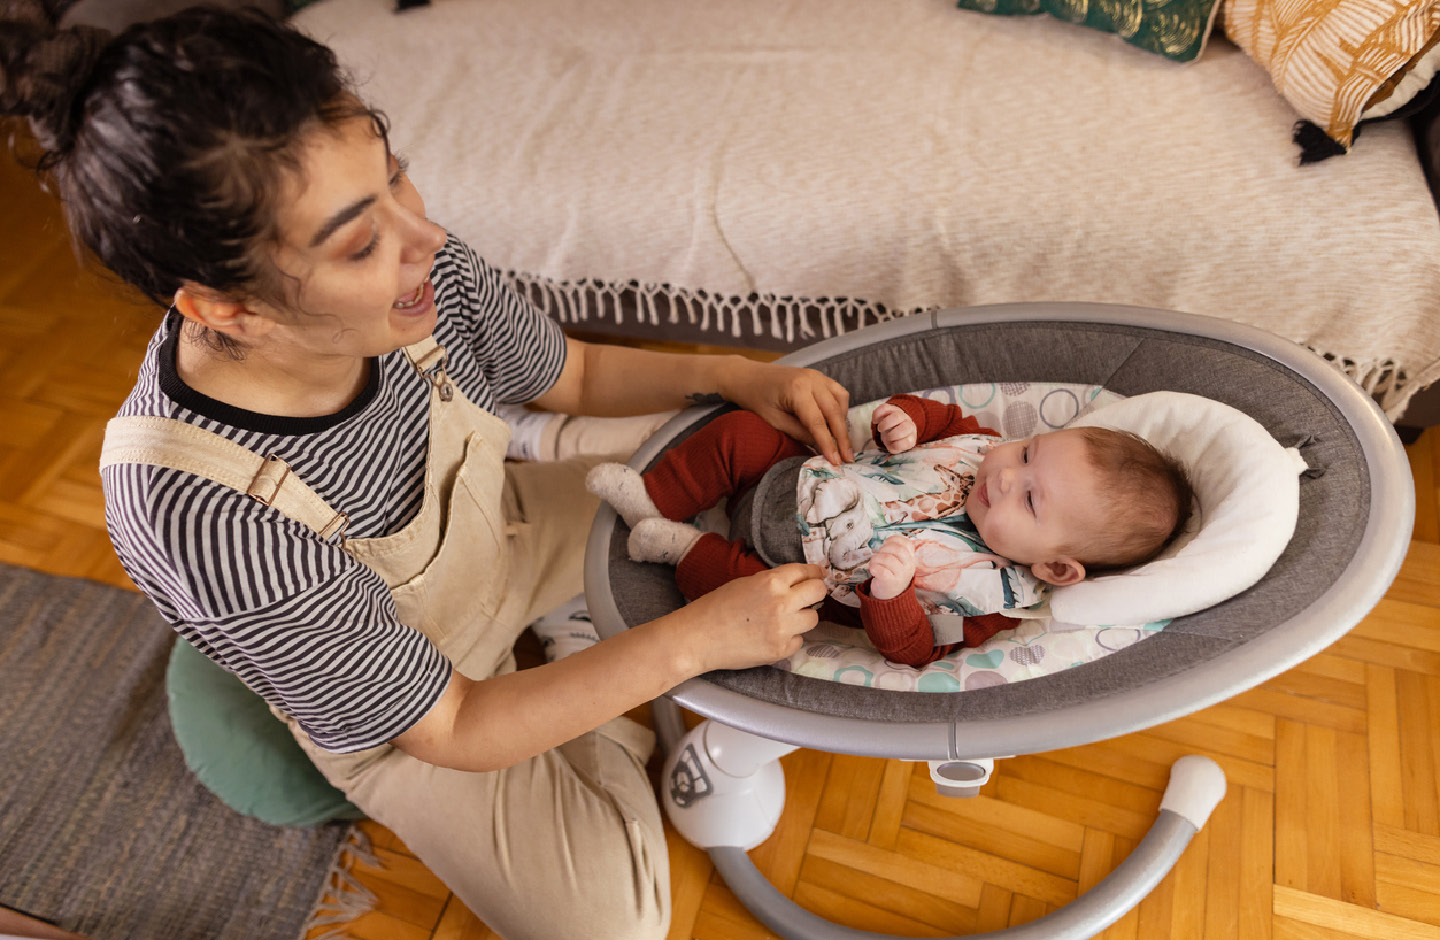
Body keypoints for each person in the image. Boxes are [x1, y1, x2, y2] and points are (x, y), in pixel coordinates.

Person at [0, 6, 859, 939]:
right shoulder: (200, 512)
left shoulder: (418, 269)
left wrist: (733, 375)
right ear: (225, 306)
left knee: (764, 470)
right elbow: (450, 726)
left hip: (507, 531)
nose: (427, 236)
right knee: (613, 925)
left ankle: (579, 632)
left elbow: (573, 373)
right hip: (422, 712)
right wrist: (688, 644)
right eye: (359, 243)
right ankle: (583, 649)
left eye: (396, 177)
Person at [587, 392, 1194, 666]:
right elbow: (944, 418)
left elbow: (914, 651)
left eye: (1032, 500)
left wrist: (893, 595)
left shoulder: (992, 602)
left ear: (1055, 567)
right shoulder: (979, 446)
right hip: (792, 474)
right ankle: (655, 498)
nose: (1008, 475)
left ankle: (682, 546)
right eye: (1029, 453)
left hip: (795, 570)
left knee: (750, 599)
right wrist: (904, 421)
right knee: (740, 433)